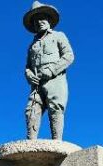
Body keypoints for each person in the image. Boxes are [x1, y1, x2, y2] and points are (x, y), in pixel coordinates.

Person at [23, 1, 75, 140]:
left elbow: (69, 56)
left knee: (55, 108)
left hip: (55, 80)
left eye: (42, 18)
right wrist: (28, 75)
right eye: (36, 20)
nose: (39, 22)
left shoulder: (58, 36)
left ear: (49, 20)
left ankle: (57, 141)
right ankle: (31, 143)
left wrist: (52, 70)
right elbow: (27, 66)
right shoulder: (32, 45)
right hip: (36, 83)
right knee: (31, 110)